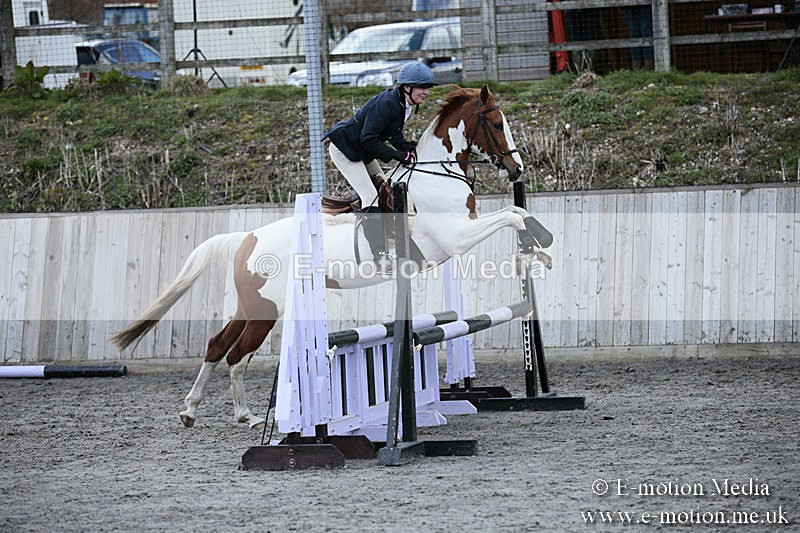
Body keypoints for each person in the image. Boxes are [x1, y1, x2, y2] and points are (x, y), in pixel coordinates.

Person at [322, 61, 437, 262]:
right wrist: (396, 155)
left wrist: (406, 147)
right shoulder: (388, 103)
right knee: (371, 197)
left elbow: (392, 132)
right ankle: (379, 254)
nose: (426, 92)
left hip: (362, 149)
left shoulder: (404, 104)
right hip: (345, 149)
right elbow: (368, 138)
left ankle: (391, 236)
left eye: (427, 87)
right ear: (407, 87)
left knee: (385, 189)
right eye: (422, 87)